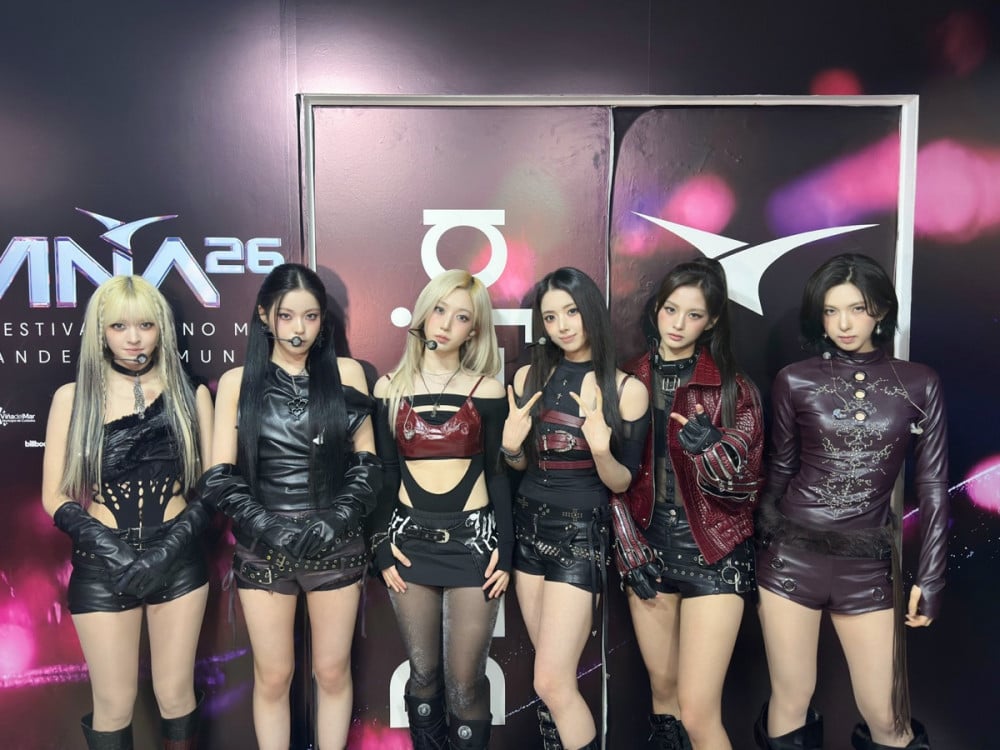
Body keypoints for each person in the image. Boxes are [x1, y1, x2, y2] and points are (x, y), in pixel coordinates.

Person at [754, 253, 947, 750]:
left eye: (857, 309)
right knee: (790, 701)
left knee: (886, 715)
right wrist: (758, 540)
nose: (843, 324)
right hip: (791, 559)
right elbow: (780, 468)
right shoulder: (794, 379)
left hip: (866, 567)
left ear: (879, 310)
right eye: (830, 310)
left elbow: (931, 487)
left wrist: (930, 577)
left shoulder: (919, 382)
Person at [198, 263, 381, 750]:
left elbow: (368, 467)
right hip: (264, 550)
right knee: (274, 675)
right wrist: (270, 527)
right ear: (264, 315)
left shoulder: (347, 374)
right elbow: (219, 477)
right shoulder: (237, 382)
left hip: (335, 546)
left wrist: (333, 522)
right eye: (287, 316)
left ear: (323, 320)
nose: (299, 329)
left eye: (311, 316)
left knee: (332, 671)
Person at [42, 275, 214, 750]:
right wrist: (113, 551)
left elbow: (214, 487)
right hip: (102, 565)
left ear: (162, 329)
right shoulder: (73, 398)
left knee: (175, 695)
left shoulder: (191, 394)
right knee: (114, 703)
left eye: (145, 325)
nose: (134, 338)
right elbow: (54, 495)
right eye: (119, 326)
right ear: (101, 331)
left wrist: (167, 550)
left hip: (178, 559)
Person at [612, 258, 764, 750]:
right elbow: (608, 478)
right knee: (664, 697)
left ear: (712, 321)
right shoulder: (626, 380)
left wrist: (710, 450)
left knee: (698, 712)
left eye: (694, 314)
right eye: (670, 309)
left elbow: (747, 488)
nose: (678, 324)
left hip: (715, 550)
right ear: (656, 309)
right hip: (648, 549)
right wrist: (627, 544)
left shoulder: (734, 388)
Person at [502, 267, 650, 750]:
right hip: (528, 529)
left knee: (551, 681)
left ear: (591, 312)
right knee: (549, 683)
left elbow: (623, 481)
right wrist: (510, 448)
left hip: (579, 535)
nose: (562, 325)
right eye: (550, 317)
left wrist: (601, 448)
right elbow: (519, 466)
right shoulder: (527, 377)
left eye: (571, 312)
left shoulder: (626, 388)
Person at [371, 269, 510, 750]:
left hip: (474, 543)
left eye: (462, 317)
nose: (447, 324)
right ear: (424, 314)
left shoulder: (488, 390)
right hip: (409, 541)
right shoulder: (389, 389)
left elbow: (498, 474)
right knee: (424, 674)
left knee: (465, 683)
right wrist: (381, 547)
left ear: (474, 330)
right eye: (439, 310)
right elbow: (385, 474)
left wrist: (506, 552)